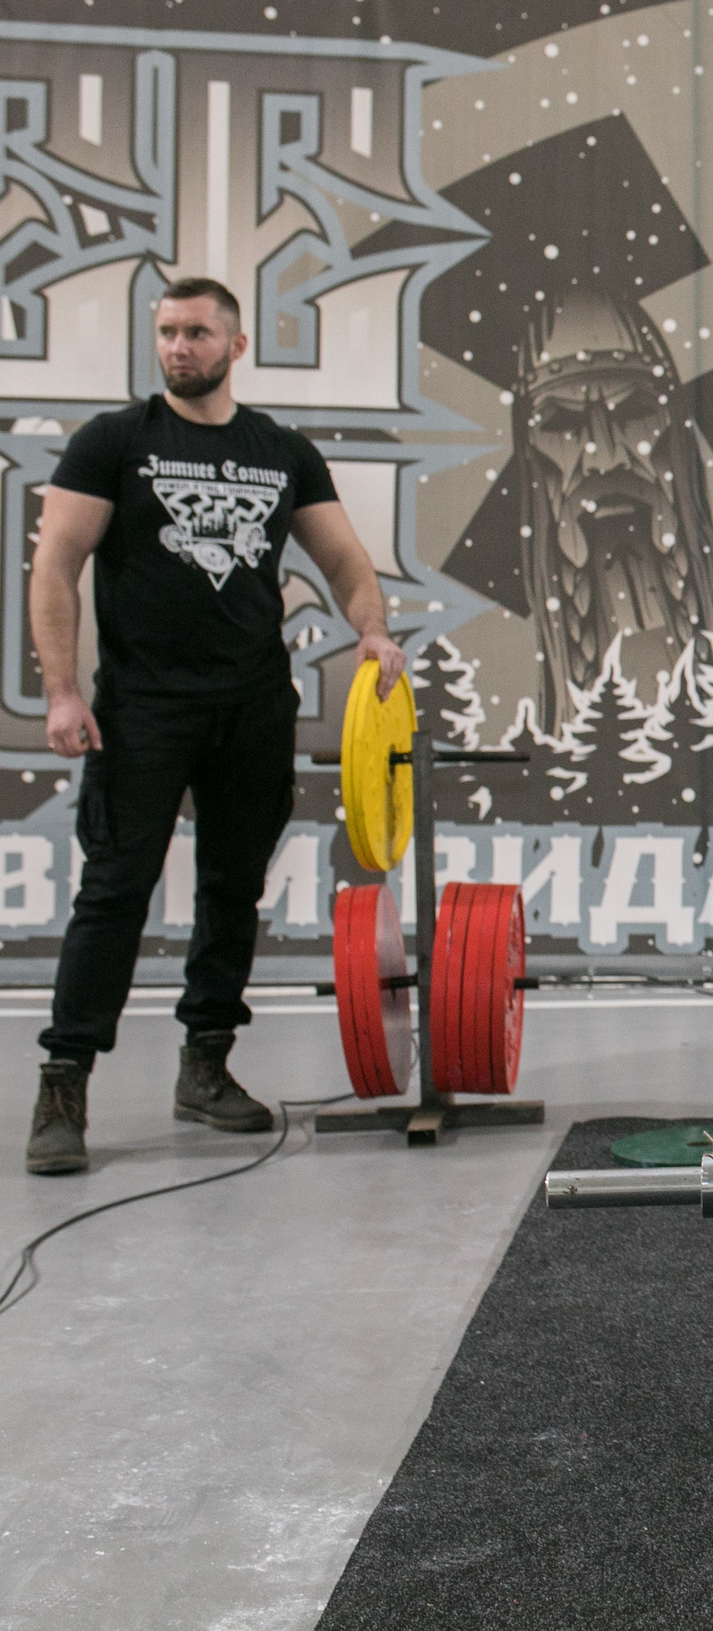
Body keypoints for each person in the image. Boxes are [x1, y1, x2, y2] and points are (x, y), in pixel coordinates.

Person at [24, 277, 407, 1176]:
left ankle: (205, 1066)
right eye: (166, 332)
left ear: (236, 346)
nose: (177, 347)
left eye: (197, 332)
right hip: (142, 709)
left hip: (251, 704)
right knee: (115, 891)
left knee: (234, 888)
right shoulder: (115, 441)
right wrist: (62, 691)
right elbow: (56, 567)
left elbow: (345, 558)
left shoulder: (280, 450)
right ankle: (64, 1080)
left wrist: (373, 627)